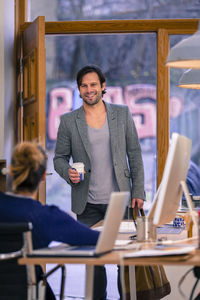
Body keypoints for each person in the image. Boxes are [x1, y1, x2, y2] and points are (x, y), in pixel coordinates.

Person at [54, 65, 145, 299]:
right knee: (94, 262)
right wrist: (68, 172)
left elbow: (134, 153)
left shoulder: (122, 114)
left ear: (103, 87)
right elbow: (60, 158)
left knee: (123, 262)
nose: (89, 90)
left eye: (93, 85)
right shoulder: (68, 121)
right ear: (79, 89)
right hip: (87, 204)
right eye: (84, 86)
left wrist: (139, 190)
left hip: (120, 201)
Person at [0, 141, 100, 300]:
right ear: (44, 176)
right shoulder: (44, 216)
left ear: (11, 171)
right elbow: (95, 239)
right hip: (28, 292)